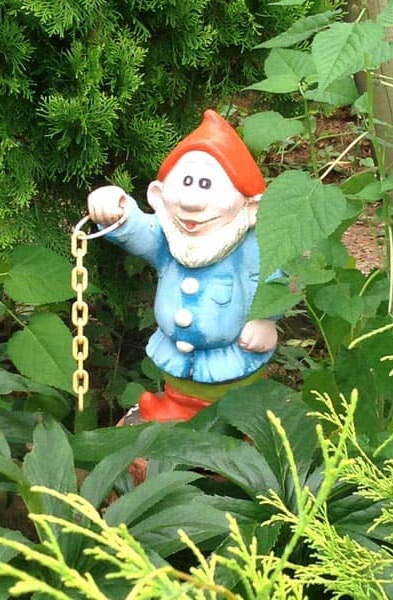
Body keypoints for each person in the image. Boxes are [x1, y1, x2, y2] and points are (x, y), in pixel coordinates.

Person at [88, 109, 278, 422]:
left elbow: (275, 278)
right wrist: (118, 212)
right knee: (177, 393)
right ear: (159, 195)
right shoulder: (169, 240)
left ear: (250, 207)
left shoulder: (250, 246)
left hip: (231, 360)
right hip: (177, 359)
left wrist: (266, 318)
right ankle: (174, 410)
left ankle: (237, 423)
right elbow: (142, 232)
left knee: (235, 404)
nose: (191, 202)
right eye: (187, 181)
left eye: (206, 184)